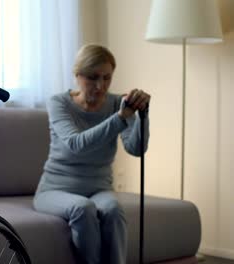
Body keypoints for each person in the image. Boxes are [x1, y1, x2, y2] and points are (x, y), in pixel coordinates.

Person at [33, 44, 150, 264]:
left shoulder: (117, 104)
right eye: (93, 77)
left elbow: (136, 149)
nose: (100, 85)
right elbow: (76, 144)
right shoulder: (59, 103)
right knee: (82, 208)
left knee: (113, 209)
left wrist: (144, 115)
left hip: (99, 188)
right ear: (77, 75)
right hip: (55, 189)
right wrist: (119, 118)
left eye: (107, 78)